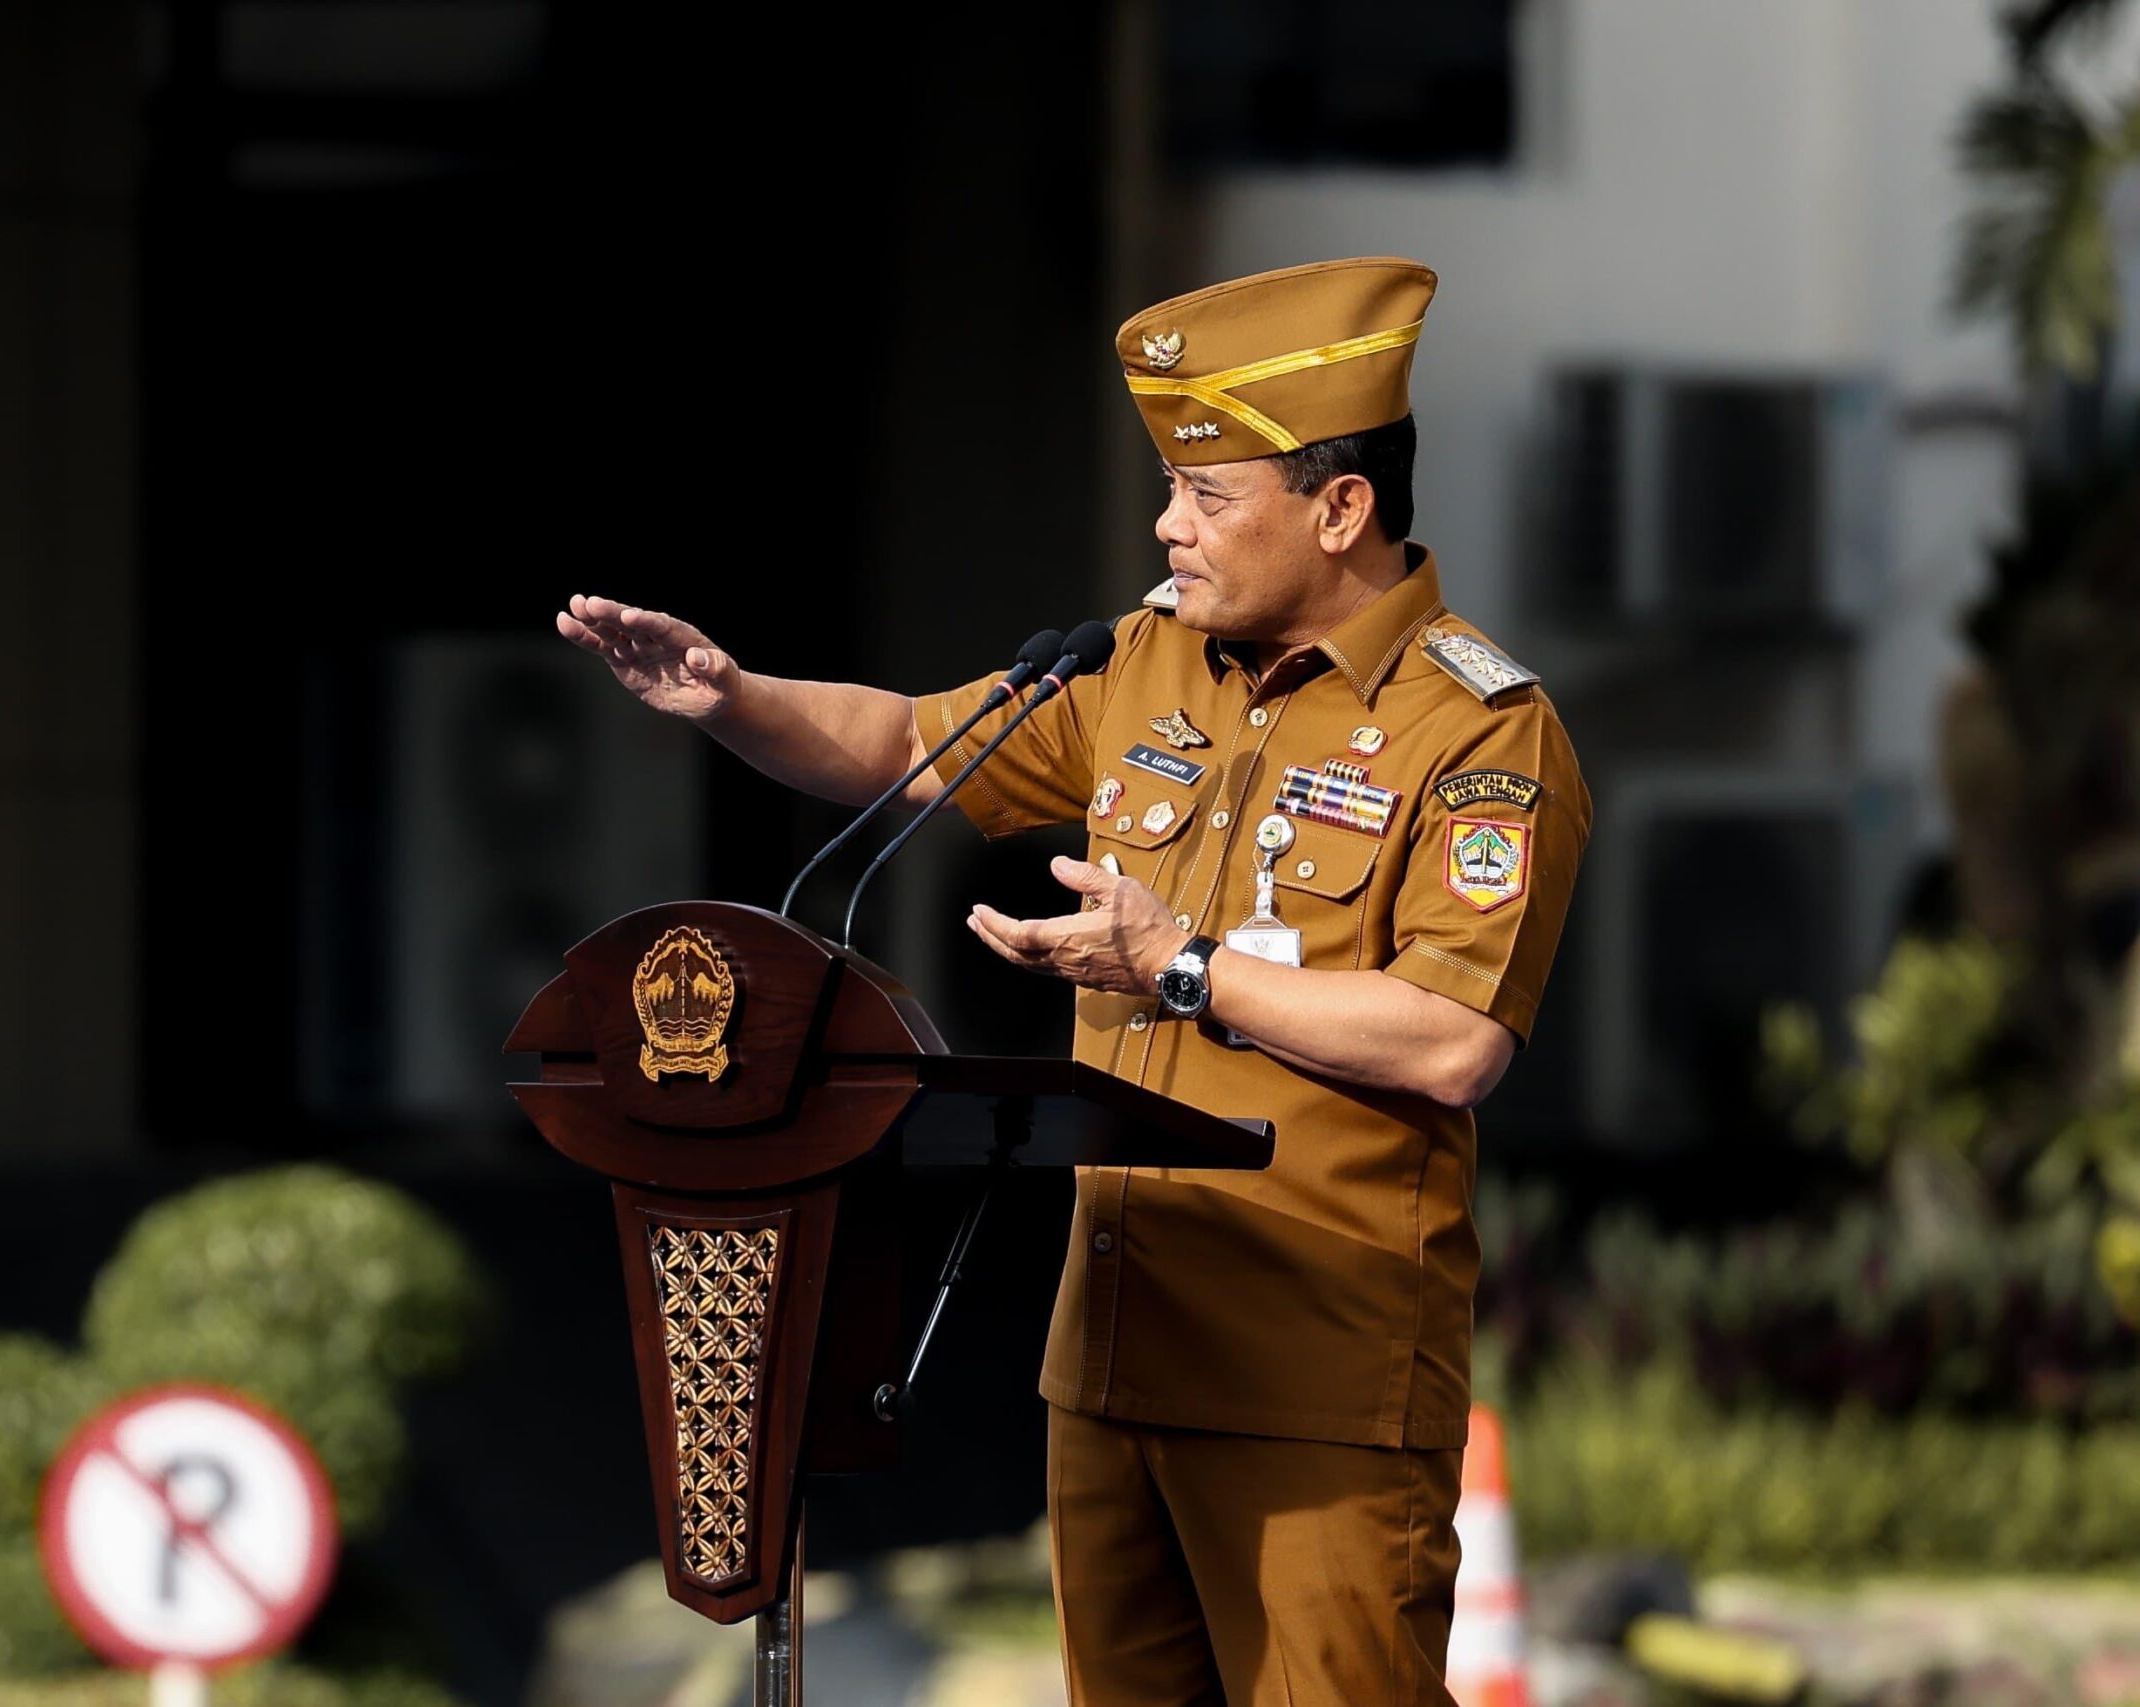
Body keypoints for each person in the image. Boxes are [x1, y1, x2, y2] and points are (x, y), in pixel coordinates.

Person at [555, 256, 1589, 1707]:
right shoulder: (1139, 664)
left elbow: (1454, 1041)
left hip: (1318, 1377)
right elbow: (913, 746)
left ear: (1341, 507)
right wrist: (732, 698)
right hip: (1110, 1356)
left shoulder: (1475, 729)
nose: (1169, 526)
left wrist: (1174, 966)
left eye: (1211, 494)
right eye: (1170, 488)